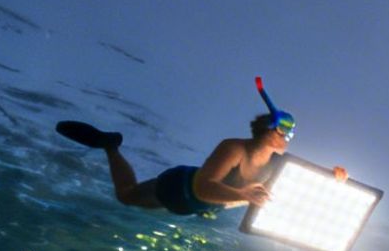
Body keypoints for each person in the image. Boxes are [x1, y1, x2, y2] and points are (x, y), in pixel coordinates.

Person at [54, 77, 345, 217]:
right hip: (178, 187)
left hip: (192, 207)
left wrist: (334, 176)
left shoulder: (280, 163)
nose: (287, 138)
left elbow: (309, 179)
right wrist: (241, 193)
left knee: (133, 201)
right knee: (127, 196)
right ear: (268, 128)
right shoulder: (234, 149)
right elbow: (205, 187)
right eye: (283, 131)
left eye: (291, 135)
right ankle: (110, 146)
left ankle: (111, 147)